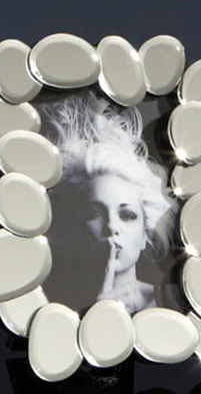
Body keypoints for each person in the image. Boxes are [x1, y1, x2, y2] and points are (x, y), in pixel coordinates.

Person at [40, 91, 176, 315]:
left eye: (128, 215)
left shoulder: (174, 306)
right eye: (94, 213)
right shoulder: (49, 311)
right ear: (73, 229)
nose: (112, 227)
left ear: (145, 234)